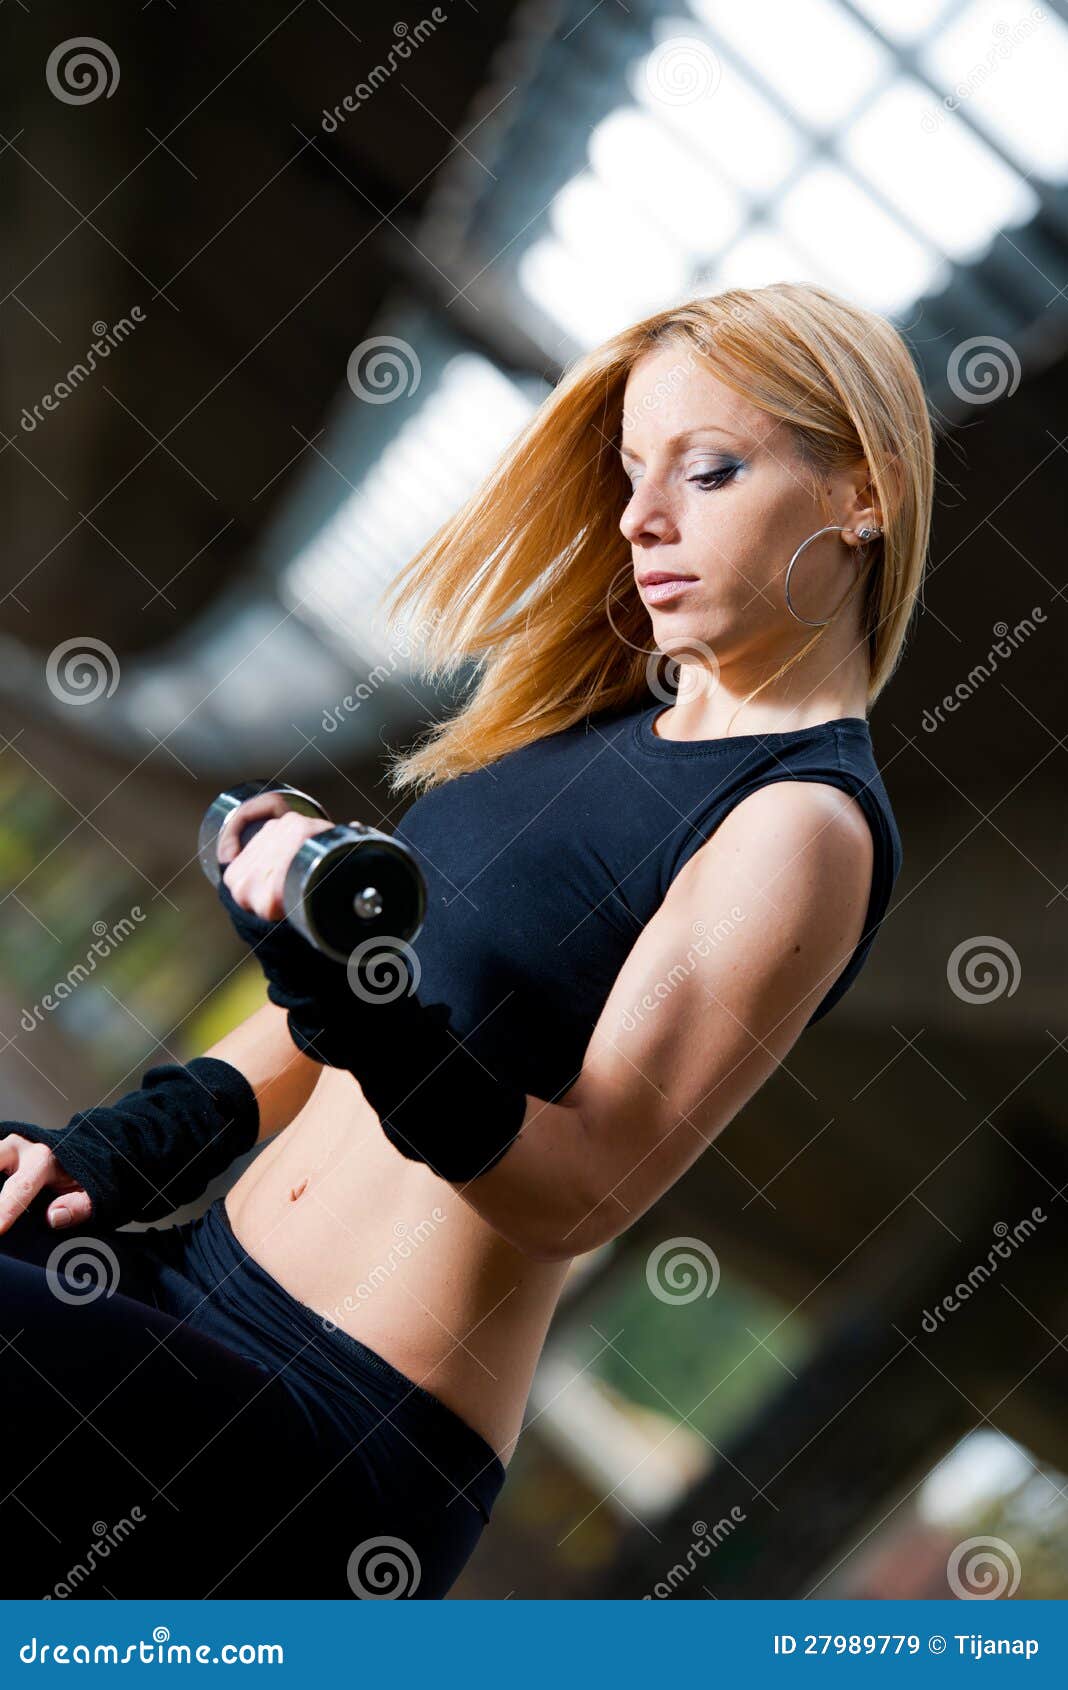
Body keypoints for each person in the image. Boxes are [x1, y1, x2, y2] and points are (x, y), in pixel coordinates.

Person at [0, 282, 932, 1599]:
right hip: (178, 1272)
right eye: (631, 472)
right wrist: (122, 1145)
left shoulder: (799, 824)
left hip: (324, 1428)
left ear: (863, 494)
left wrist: (350, 1005)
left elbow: (587, 1186)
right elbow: (318, 1030)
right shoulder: (590, 721)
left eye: (709, 470)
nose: (640, 517)